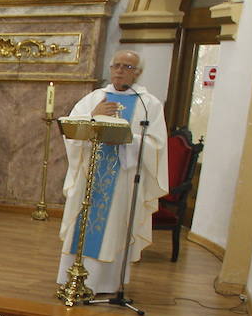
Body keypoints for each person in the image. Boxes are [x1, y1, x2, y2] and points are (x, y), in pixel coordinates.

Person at [56, 50, 169, 294]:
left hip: (123, 180)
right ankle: (72, 278)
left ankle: (104, 283)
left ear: (137, 72)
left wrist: (127, 138)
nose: (120, 70)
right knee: (82, 224)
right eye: (116, 65)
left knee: (114, 228)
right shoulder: (94, 98)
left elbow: (157, 144)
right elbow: (72, 130)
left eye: (127, 66)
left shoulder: (149, 104)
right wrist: (94, 116)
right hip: (90, 175)